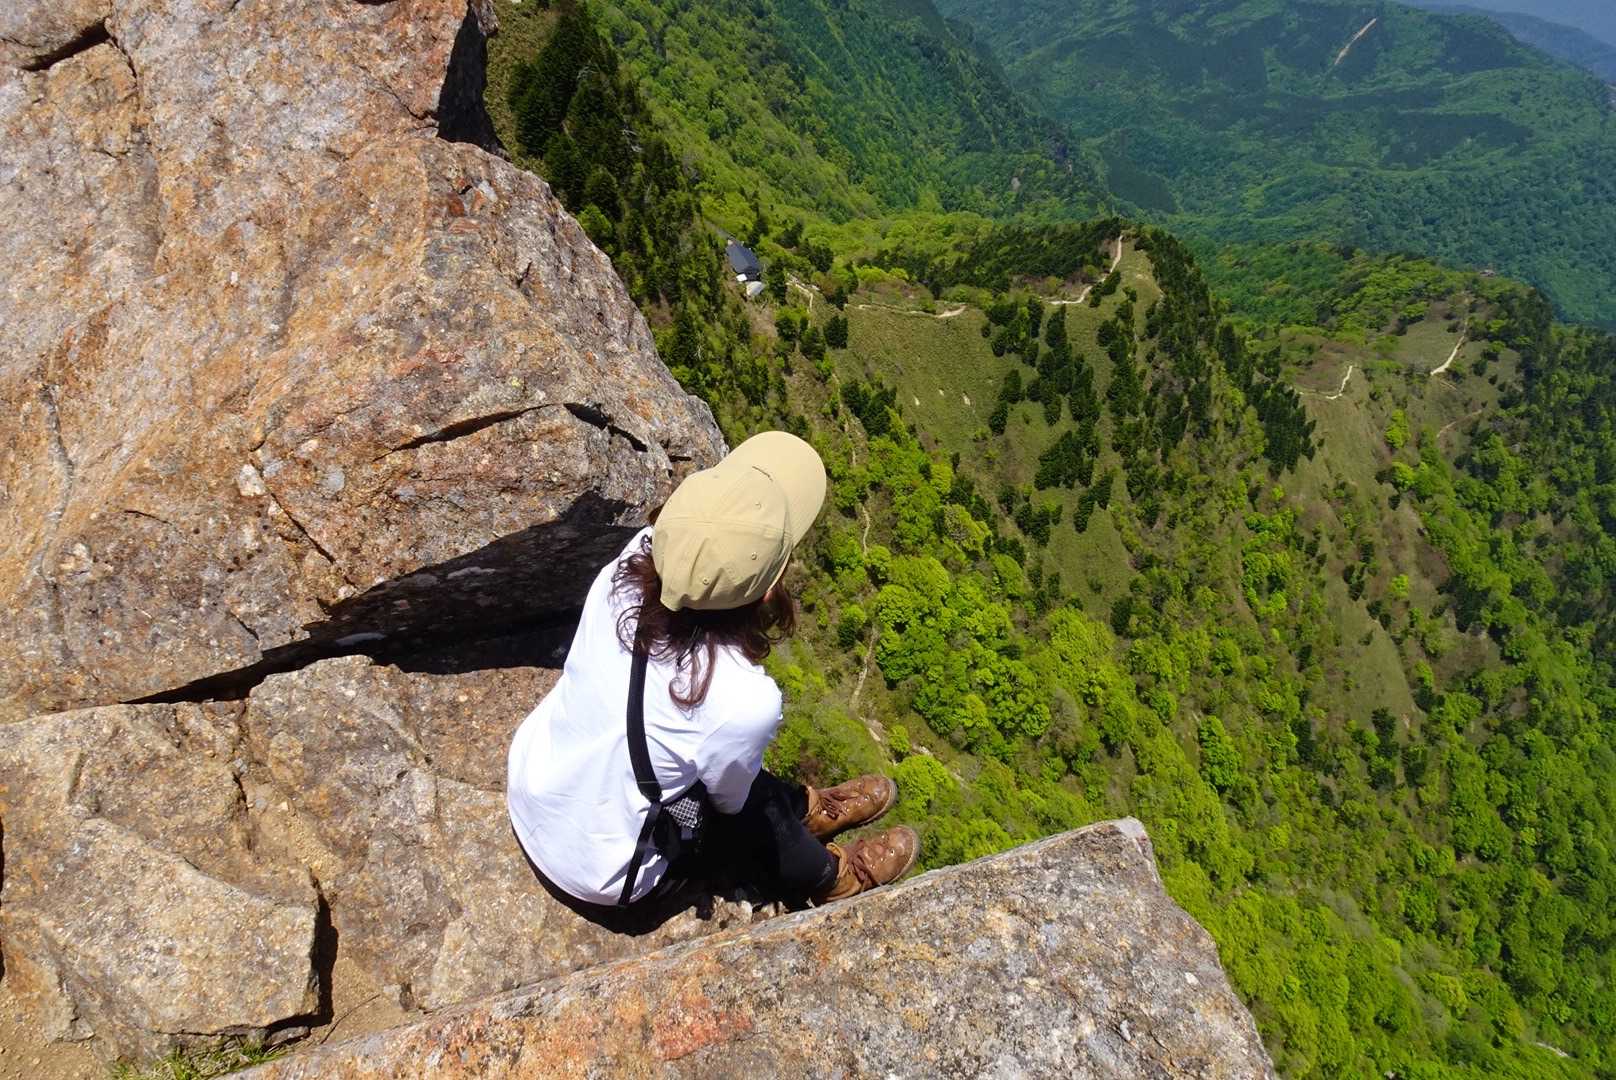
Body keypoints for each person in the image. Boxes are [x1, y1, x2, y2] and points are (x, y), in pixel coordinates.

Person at [507, 430, 917, 917]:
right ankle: (830, 877)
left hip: (537, 781)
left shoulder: (630, 560)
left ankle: (806, 807)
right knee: (753, 807)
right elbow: (731, 802)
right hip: (603, 868)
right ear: (766, 593)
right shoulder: (738, 697)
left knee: (720, 760)